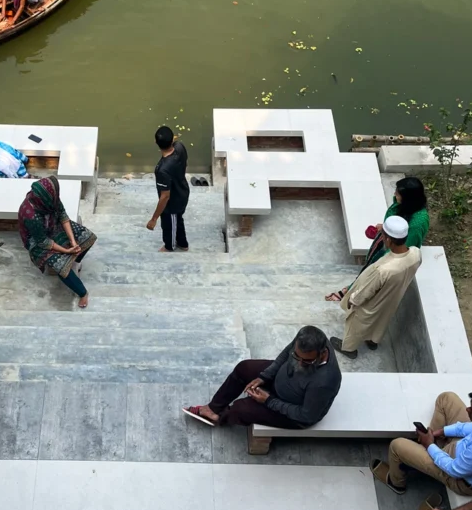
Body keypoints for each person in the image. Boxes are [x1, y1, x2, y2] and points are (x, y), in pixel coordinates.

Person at [183, 325, 342, 430]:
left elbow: (306, 415)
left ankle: (221, 417)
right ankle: (213, 408)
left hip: (293, 412)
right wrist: (265, 377)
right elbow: (285, 354)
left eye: (307, 361)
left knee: (240, 408)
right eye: (296, 356)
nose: (299, 363)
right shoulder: (307, 338)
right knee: (244, 368)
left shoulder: (324, 382)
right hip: (281, 382)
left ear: (322, 353)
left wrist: (269, 400)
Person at [372, 387, 472, 496]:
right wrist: (441, 432)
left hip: (462, 478)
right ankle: (425, 450)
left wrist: (429, 445)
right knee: (447, 398)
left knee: (397, 446)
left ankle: (396, 482)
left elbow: (454, 469)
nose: (467, 410)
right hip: (468, 452)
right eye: (470, 406)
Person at [330, 215, 421, 359]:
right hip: (393, 298)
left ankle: (349, 349)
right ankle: (372, 341)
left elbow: (366, 292)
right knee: (382, 320)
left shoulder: (384, 270)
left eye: (383, 236)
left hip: (373, 302)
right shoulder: (416, 253)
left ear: (389, 240)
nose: (382, 239)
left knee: (356, 324)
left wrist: (352, 300)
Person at [326, 176, 429, 302]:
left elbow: (404, 246)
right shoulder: (404, 206)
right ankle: (352, 288)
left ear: (408, 198)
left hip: (389, 253)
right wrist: (385, 227)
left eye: (398, 193)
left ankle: (350, 292)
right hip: (386, 243)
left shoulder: (417, 224)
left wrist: (384, 257)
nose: (395, 194)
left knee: (371, 275)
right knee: (368, 268)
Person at [18, 175, 97, 308]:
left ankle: (75, 262)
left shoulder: (51, 198)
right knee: (60, 267)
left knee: (88, 237)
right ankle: (83, 293)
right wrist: (66, 250)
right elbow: (43, 242)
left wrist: (72, 242)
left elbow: (62, 216)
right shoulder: (31, 215)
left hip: (53, 224)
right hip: (37, 240)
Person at [147, 126, 190, 253]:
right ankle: (183, 243)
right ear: (173, 140)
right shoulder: (180, 147)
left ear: (156, 143)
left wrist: (154, 219)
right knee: (178, 218)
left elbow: (165, 196)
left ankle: (169, 246)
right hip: (183, 191)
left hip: (173, 202)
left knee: (169, 223)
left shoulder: (162, 169)